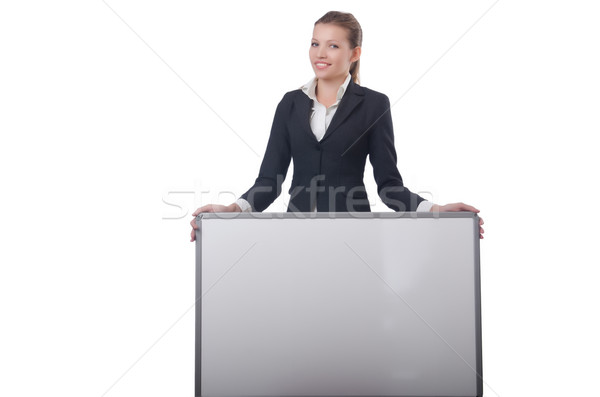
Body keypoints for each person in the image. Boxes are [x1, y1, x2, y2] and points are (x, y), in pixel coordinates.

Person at [190, 11, 484, 242]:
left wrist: (435, 210)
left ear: (354, 54)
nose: (320, 53)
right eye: (315, 43)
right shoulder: (289, 104)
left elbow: (389, 185)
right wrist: (232, 210)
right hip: (296, 235)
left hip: (355, 236)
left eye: (333, 45)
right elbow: (270, 182)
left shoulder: (374, 104)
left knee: (354, 316)